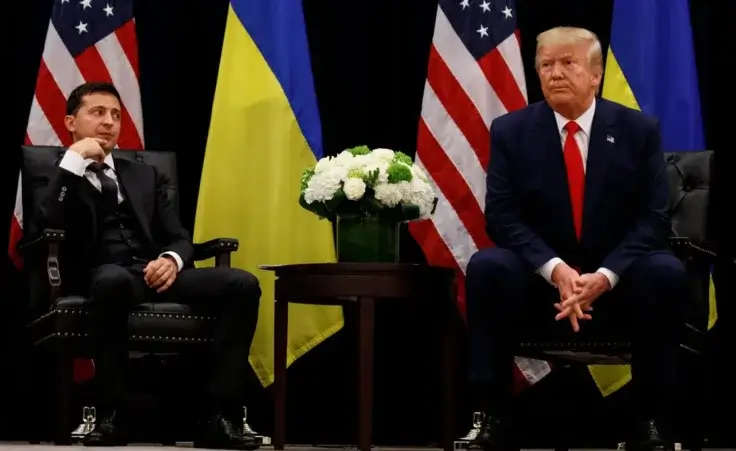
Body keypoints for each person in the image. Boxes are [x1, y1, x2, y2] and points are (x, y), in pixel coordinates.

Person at [465, 27, 686, 451]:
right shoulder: (511, 131)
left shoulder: (638, 130)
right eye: (546, 65)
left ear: (596, 73)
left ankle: (650, 421)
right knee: (488, 266)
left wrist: (604, 276)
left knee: (665, 271)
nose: (556, 73)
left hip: (617, 284)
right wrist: (556, 270)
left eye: (568, 63)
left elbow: (653, 218)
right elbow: (502, 216)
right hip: (539, 284)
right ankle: (489, 417)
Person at [35, 81, 262, 450]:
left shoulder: (143, 174)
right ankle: (113, 414)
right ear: (70, 122)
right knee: (111, 282)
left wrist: (171, 261)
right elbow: (46, 221)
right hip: (101, 275)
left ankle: (218, 415)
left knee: (242, 284)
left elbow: (179, 235)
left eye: (116, 115)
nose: (109, 123)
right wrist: (74, 160)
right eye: (98, 113)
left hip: (153, 272)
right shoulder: (59, 173)